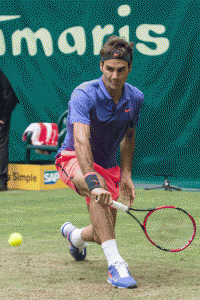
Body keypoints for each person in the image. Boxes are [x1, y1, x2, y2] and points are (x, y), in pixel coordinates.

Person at [55, 35, 144, 289]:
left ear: (129, 68)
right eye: (109, 69)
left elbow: (129, 136)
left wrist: (126, 174)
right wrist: (93, 181)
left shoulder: (135, 98)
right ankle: (116, 266)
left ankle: (74, 236)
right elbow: (81, 139)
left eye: (120, 70)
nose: (114, 76)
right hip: (73, 157)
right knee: (99, 192)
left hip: (109, 164)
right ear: (101, 66)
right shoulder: (84, 94)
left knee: (101, 231)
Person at [0, 69, 19, 191]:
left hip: (2, 114)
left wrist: (2, 118)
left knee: (1, 145)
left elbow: (8, 96)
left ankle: (2, 182)